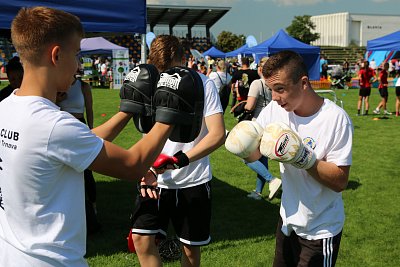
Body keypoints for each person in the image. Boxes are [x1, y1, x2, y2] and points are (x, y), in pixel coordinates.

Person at [0, 7, 186, 266]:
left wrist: (126, 111)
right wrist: (170, 112)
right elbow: (133, 164)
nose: (78, 65)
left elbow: (78, 141)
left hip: (12, 254)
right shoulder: (52, 124)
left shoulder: (7, 107)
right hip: (52, 260)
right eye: (76, 54)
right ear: (56, 55)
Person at [226, 50, 353, 266]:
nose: (274, 97)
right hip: (287, 221)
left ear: (303, 83)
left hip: (320, 229)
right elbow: (256, 153)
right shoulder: (275, 111)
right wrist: (243, 147)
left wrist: (304, 158)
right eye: (271, 90)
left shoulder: (335, 119)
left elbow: (340, 181)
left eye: (280, 89)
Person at [130, 35, 225, 267]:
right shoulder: (150, 81)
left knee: (190, 251)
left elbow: (218, 134)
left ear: (185, 59)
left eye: (172, 70)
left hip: (193, 179)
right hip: (153, 178)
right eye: (161, 71)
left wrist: (179, 159)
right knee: (141, 239)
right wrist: (146, 167)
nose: (167, 77)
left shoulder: (203, 83)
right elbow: (146, 133)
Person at [57, 67, 101, 235]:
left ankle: (93, 205)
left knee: (87, 169)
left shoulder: (83, 86)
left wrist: (91, 129)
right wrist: (58, 98)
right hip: (62, 125)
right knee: (65, 168)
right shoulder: (60, 85)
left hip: (79, 124)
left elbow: (89, 108)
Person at [244, 56, 281, 200]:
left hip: (258, 125)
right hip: (273, 126)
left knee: (246, 156)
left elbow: (250, 106)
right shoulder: (276, 84)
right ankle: (258, 192)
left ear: (260, 68)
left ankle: (272, 180)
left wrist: (244, 106)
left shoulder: (257, 83)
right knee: (262, 160)